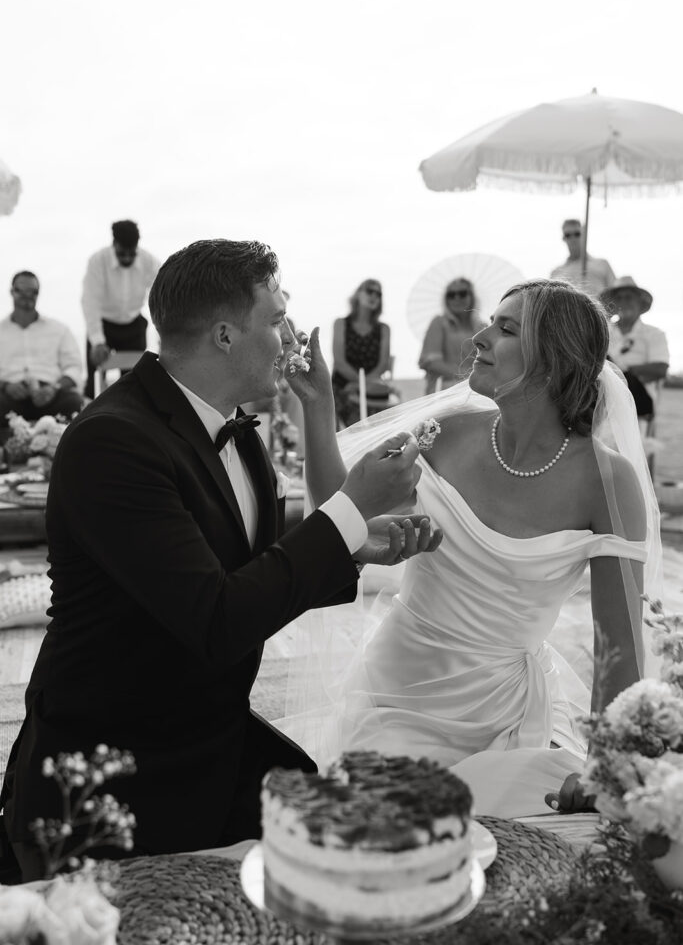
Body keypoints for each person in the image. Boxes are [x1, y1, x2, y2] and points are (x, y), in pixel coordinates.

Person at [0, 238, 441, 882]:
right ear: (227, 335)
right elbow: (217, 616)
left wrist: (352, 541)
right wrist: (348, 507)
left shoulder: (235, 428)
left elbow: (247, 571)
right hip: (113, 776)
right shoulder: (112, 442)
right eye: (277, 319)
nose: (290, 338)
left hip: (214, 746)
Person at [283, 279, 662, 820]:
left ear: (553, 361)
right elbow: (338, 512)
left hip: (504, 714)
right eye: (491, 323)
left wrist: (604, 768)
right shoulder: (448, 433)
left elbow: (618, 646)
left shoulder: (608, 482)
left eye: (506, 328)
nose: (479, 337)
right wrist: (318, 406)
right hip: (396, 693)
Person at [82, 219, 161, 399]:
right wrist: (97, 340)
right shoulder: (97, 261)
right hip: (103, 327)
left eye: (131, 254)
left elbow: (163, 297)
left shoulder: (149, 261)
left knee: (135, 384)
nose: (126, 258)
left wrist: (163, 336)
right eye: (121, 253)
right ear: (114, 244)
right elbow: (90, 301)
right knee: (92, 385)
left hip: (134, 326)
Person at [0, 271, 83, 425]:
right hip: (8, 397)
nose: (28, 295)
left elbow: (74, 367)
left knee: (75, 403)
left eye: (33, 291)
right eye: (22, 291)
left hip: (51, 394)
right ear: (12, 292)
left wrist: (54, 388)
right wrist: (6, 385)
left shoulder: (59, 329)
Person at [600, 275, 669, 420]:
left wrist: (621, 370)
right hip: (603, 391)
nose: (624, 302)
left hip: (639, 397)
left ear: (639, 302)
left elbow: (660, 368)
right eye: (619, 298)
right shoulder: (603, 331)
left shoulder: (654, 334)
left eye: (629, 297)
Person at [331, 279, 393, 428]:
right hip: (343, 388)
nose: (374, 296)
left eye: (378, 294)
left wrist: (361, 385)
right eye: (369, 291)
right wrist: (356, 383)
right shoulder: (341, 324)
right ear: (358, 294)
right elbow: (339, 362)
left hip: (370, 391)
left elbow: (383, 365)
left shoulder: (384, 329)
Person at [418, 277, 484, 393]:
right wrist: (468, 376)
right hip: (444, 391)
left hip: (476, 391)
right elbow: (431, 362)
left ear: (472, 296)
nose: (456, 298)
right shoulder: (439, 322)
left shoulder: (482, 326)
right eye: (451, 294)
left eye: (462, 293)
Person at [550, 219, 616, 297]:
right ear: (564, 238)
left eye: (577, 234)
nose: (573, 238)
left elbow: (617, 295)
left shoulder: (602, 264)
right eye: (568, 235)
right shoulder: (556, 273)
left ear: (584, 235)